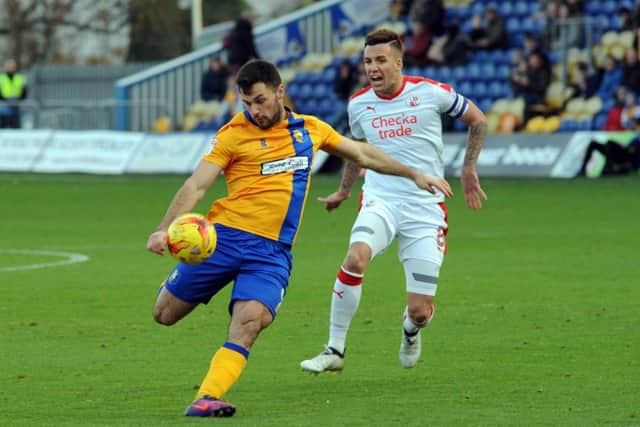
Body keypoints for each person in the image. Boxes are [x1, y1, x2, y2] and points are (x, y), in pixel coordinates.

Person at [146, 59, 453, 418]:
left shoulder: (310, 130)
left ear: (280, 92)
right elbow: (196, 184)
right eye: (247, 103)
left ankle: (207, 396)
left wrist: (413, 172)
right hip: (223, 240)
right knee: (164, 314)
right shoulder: (232, 134)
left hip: (271, 254)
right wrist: (165, 228)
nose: (254, 111)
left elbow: (362, 153)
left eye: (259, 100)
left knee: (250, 322)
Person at [299, 28, 487, 374]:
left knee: (420, 311)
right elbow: (357, 152)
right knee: (356, 257)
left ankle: (410, 329)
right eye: (368, 61)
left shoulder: (431, 93)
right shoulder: (358, 104)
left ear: (398, 63)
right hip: (380, 199)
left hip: (425, 207)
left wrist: (468, 168)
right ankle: (334, 349)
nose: (373, 67)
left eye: (381, 60)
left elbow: (477, 119)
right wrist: (344, 190)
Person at [0, 59, 28, 128]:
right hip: (3, 109)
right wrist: (5, 99)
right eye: (9, 67)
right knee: (3, 129)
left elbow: (24, 92)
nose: (11, 69)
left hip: (16, 108)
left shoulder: (20, 78)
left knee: (16, 129)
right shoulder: (1, 78)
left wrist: (18, 100)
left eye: (12, 67)